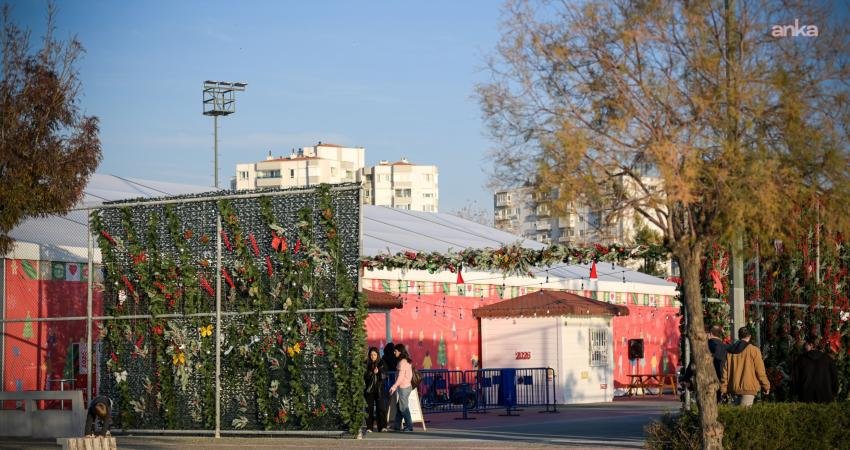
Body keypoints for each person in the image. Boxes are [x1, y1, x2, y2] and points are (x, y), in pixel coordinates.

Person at [720, 327, 770, 407]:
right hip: (748, 389)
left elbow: (725, 372)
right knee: (744, 416)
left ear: (739, 336)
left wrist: (723, 388)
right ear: (749, 336)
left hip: (733, 388)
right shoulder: (754, 350)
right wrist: (766, 386)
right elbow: (760, 371)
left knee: (735, 416)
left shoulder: (730, 351)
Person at [793, 336, 838, 403]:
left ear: (811, 345)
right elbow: (834, 378)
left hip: (806, 399)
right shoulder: (828, 359)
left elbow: (795, 380)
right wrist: (833, 393)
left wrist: (797, 393)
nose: (804, 346)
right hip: (825, 399)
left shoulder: (800, 360)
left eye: (805, 344)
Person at [388, 343, 413, 432]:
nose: (394, 353)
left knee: (403, 408)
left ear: (400, 352)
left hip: (403, 388)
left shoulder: (402, 362)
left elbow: (400, 377)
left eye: (395, 351)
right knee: (400, 406)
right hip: (407, 386)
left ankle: (409, 426)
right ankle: (397, 425)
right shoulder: (406, 361)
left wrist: (394, 387)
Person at [363, 346, 388, 432]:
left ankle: (382, 427)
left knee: (381, 408)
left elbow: (385, 375)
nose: (373, 356)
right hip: (369, 389)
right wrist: (371, 373)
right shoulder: (366, 363)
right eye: (371, 355)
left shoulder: (382, 363)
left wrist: (379, 372)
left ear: (378, 355)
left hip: (379, 389)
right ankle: (369, 427)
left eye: (374, 354)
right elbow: (364, 376)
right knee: (369, 409)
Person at [707, 325, 728, 401]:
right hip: (722, 378)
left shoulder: (706, 345)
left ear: (710, 334)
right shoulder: (725, 346)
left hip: (708, 378)